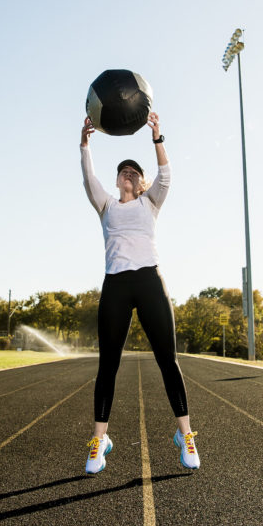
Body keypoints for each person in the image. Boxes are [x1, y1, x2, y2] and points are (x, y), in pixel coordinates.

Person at [79, 111, 199, 474]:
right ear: (117, 181)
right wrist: (85, 144)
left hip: (149, 281)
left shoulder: (151, 202)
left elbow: (167, 176)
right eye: (122, 171)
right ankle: (100, 440)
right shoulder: (106, 205)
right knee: (108, 367)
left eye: (134, 171)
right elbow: (88, 177)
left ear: (142, 182)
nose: (127, 173)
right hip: (116, 283)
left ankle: (186, 434)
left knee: (168, 360)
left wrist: (157, 138)